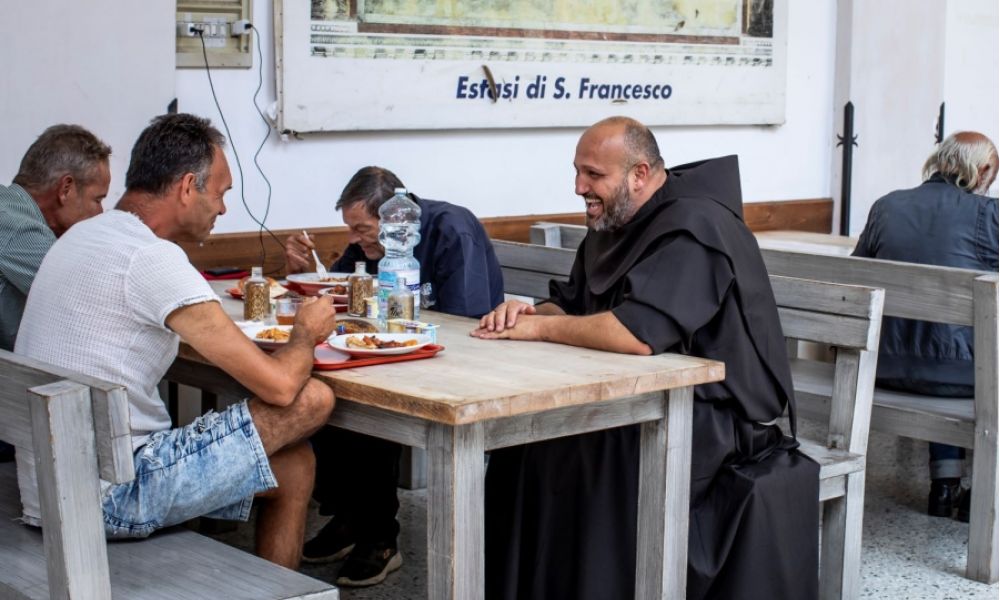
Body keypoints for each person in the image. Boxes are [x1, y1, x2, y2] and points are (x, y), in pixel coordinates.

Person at [471, 116, 819, 600]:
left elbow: (636, 334)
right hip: (641, 393)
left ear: (638, 174)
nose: (579, 187)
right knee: (521, 436)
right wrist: (522, 313)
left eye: (593, 175)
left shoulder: (697, 224)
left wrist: (542, 326)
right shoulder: (615, 217)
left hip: (711, 417)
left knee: (589, 450)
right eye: (577, 172)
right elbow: (573, 304)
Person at [15, 113, 338, 570]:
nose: (223, 209)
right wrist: (306, 333)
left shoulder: (82, 234)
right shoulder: (152, 257)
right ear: (188, 187)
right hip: (112, 493)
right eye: (221, 193)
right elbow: (281, 387)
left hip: (47, 482)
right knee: (312, 399)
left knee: (294, 464)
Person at [284, 166, 504, 586]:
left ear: (392, 218)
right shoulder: (373, 244)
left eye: (361, 228)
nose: (354, 239)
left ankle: (381, 537)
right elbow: (344, 286)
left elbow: (462, 322)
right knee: (316, 391)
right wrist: (299, 272)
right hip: (399, 355)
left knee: (362, 407)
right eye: (349, 229)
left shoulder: (451, 230)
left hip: (459, 364)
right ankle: (350, 519)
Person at [853, 131, 998, 522]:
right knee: (969, 353)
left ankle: (945, 484)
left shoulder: (887, 206)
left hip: (886, 369)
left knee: (941, 341)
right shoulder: (991, 215)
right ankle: (982, 489)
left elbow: (855, 279)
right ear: (982, 170)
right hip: (964, 377)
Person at [0, 124, 111, 462]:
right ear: (65, 188)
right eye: (98, 199)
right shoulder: (18, 228)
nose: (100, 213)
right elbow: (91, 298)